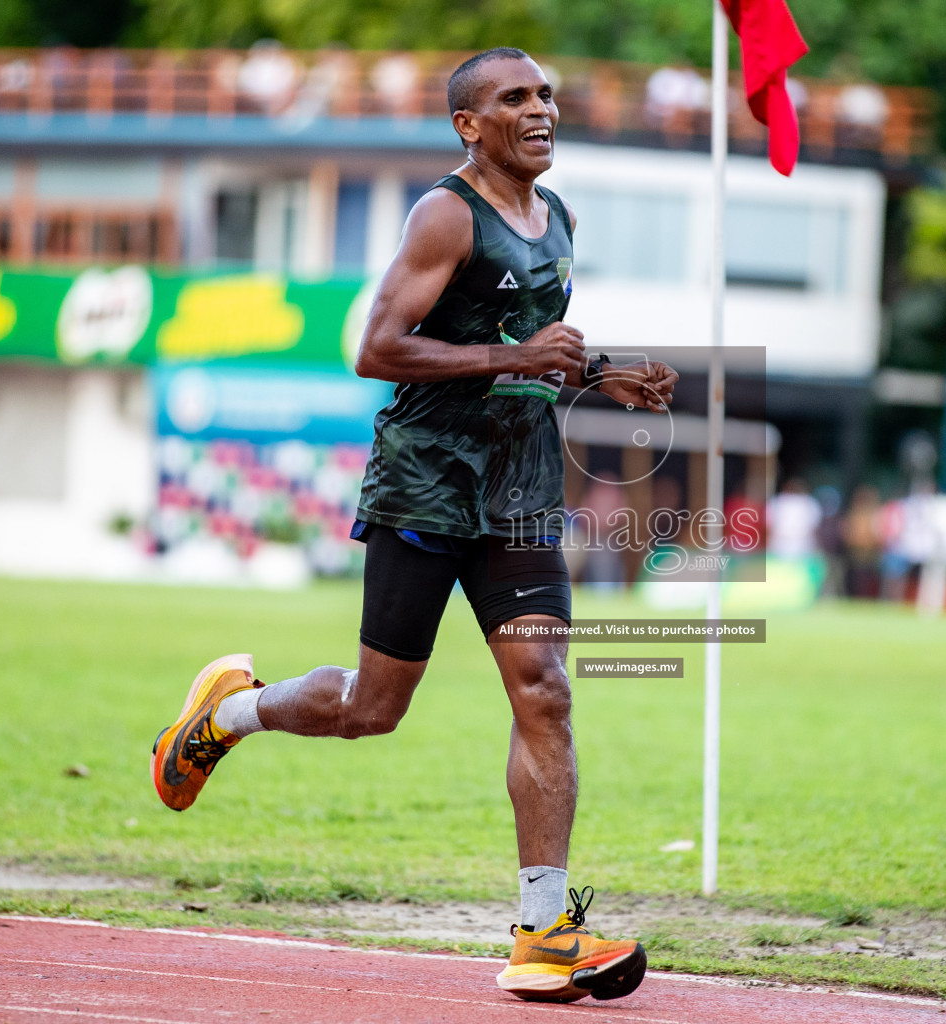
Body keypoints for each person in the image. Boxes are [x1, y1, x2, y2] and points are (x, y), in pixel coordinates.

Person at [149, 48, 677, 1005]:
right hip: (428, 486)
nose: (541, 109)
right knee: (372, 710)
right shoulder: (444, 213)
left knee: (544, 691)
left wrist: (600, 367)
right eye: (515, 98)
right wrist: (515, 355)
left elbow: (528, 338)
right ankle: (226, 713)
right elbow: (377, 349)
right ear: (469, 126)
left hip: (518, 487)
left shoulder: (555, 216)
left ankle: (543, 930)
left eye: (546, 94)